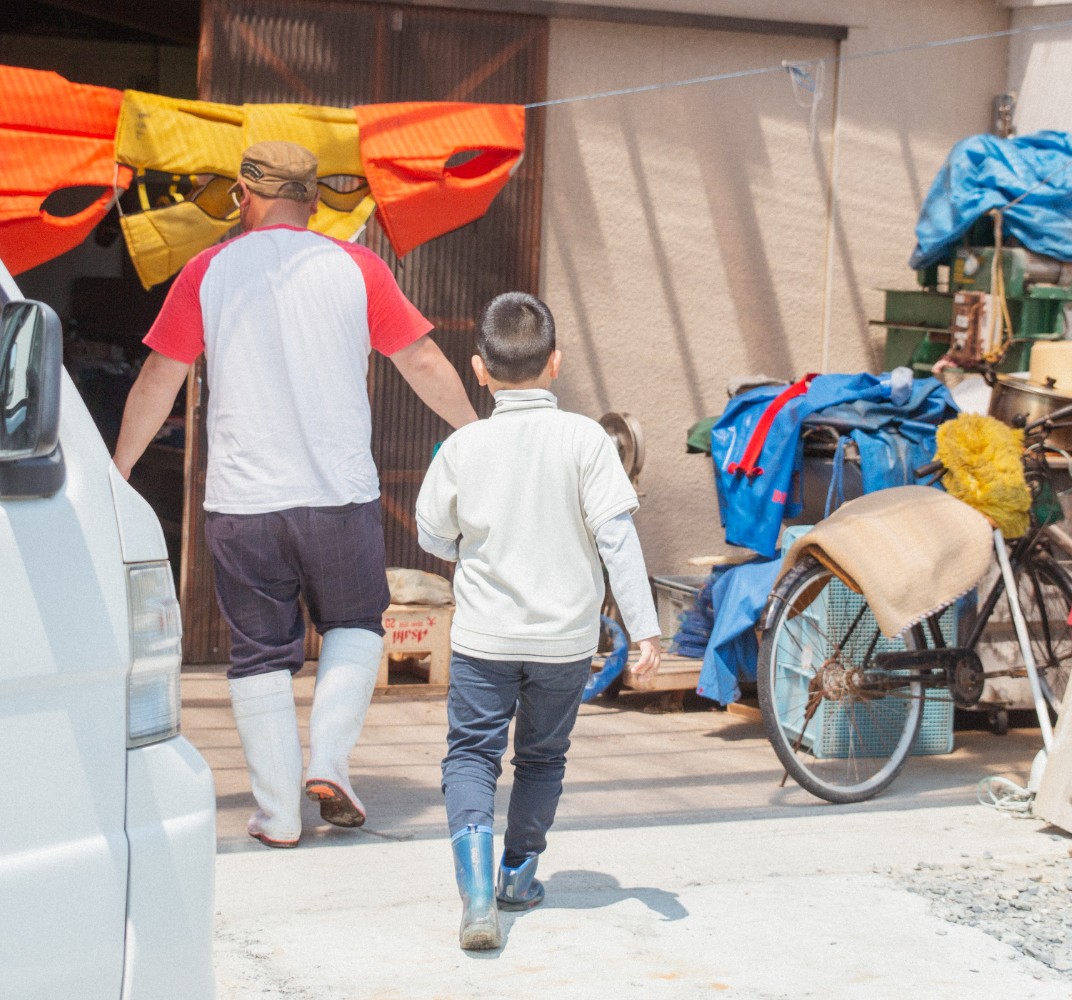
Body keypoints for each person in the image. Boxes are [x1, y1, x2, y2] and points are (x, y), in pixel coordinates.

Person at [113, 141, 478, 849]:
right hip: (337, 494)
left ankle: (278, 814)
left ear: (245, 197)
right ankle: (331, 764)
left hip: (242, 504)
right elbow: (421, 359)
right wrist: (473, 433)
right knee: (354, 625)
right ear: (314, 202)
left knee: (259, 656)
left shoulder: (207, 271)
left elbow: (160, 375)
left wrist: (119, 468)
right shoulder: (356, 267)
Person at [414, 292, 661, 950]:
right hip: (563, 643)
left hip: (483, 639)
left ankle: (473, 897)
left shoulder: (463, 447)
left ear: (478, 369)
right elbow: (617, 539)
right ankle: (518, 878)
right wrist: (645, 628)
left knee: (471, 755)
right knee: (543, 759)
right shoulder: (585, 440)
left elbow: (431, 535)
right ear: (556, 363)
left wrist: (472, 550)